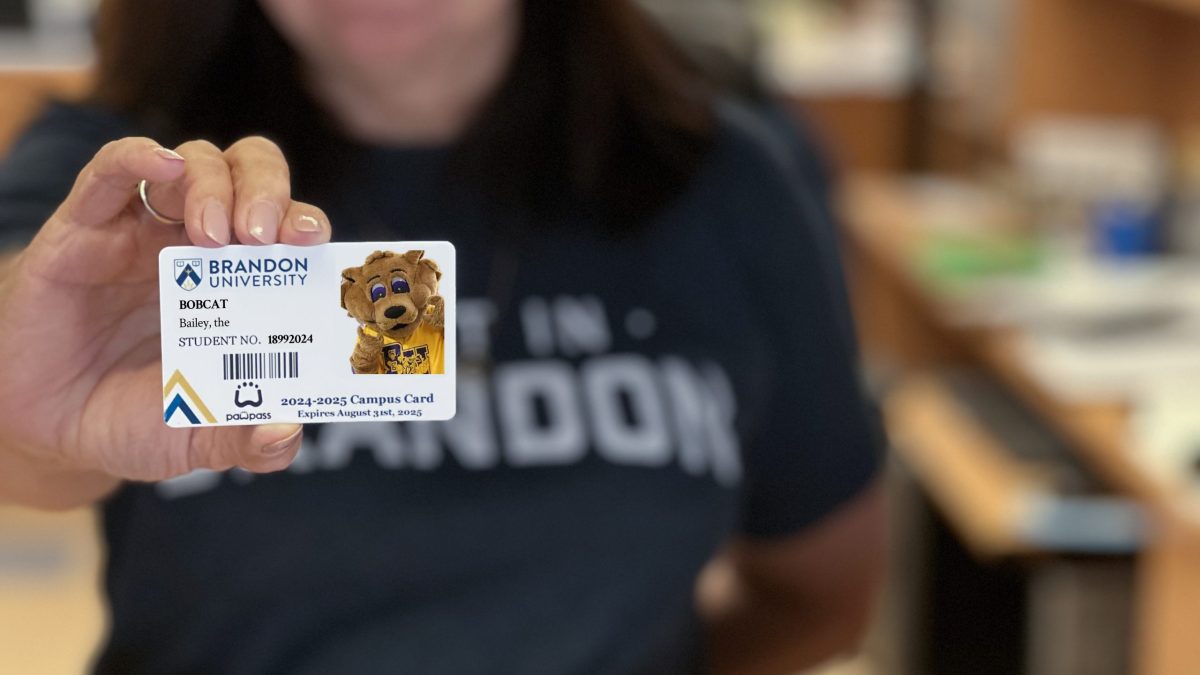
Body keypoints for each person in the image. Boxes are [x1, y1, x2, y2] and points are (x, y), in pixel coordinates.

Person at [0, 0, 886, 673]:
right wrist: (42, 408)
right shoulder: (124, 187)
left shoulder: (723, 184)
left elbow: (823, 593)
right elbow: (25, 428)